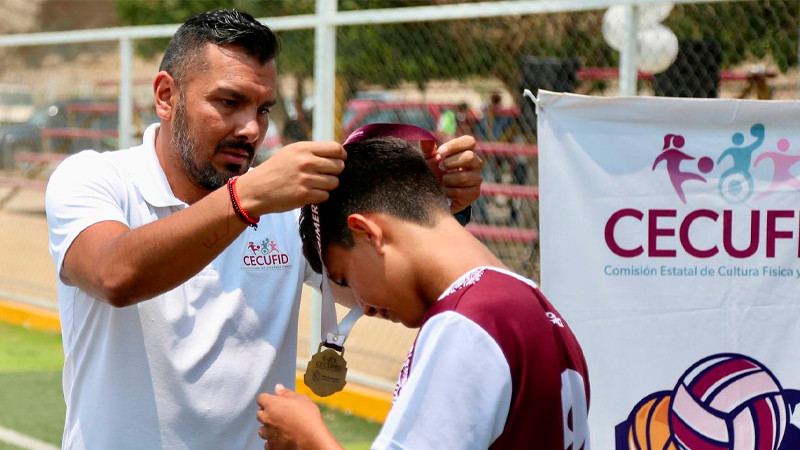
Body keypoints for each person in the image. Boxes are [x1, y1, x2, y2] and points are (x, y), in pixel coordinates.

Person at [45, 9, 482, 449]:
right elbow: (114, 276)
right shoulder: (94, 178)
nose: (251, 129)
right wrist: (247, 199)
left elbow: (378, 294)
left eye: (263, 109)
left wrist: (441, 214)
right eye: (229, 103)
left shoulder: (285, 206)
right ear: (165, 96)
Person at [256, 136, 590, 449]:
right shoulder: (532, 305)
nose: (365, 307)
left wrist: (309, 441)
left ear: (367, 233)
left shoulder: (466, 326)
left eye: (345, 277)